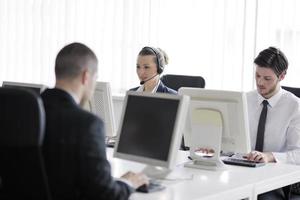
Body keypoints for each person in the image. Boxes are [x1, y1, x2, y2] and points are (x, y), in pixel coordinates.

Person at [41, 42, 148, 200]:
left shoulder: (26, 111)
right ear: (86, 77)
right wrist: (128, 183)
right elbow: (104, 194)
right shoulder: (87, 124)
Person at [246, 47, 300, 200]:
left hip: (274, 182)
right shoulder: (245, 100)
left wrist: (270, 157)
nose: (260, 82)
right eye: (257, 75)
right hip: (241, 174)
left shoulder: (295, 107)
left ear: (281, 76)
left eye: (267, 78)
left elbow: (299, 154)